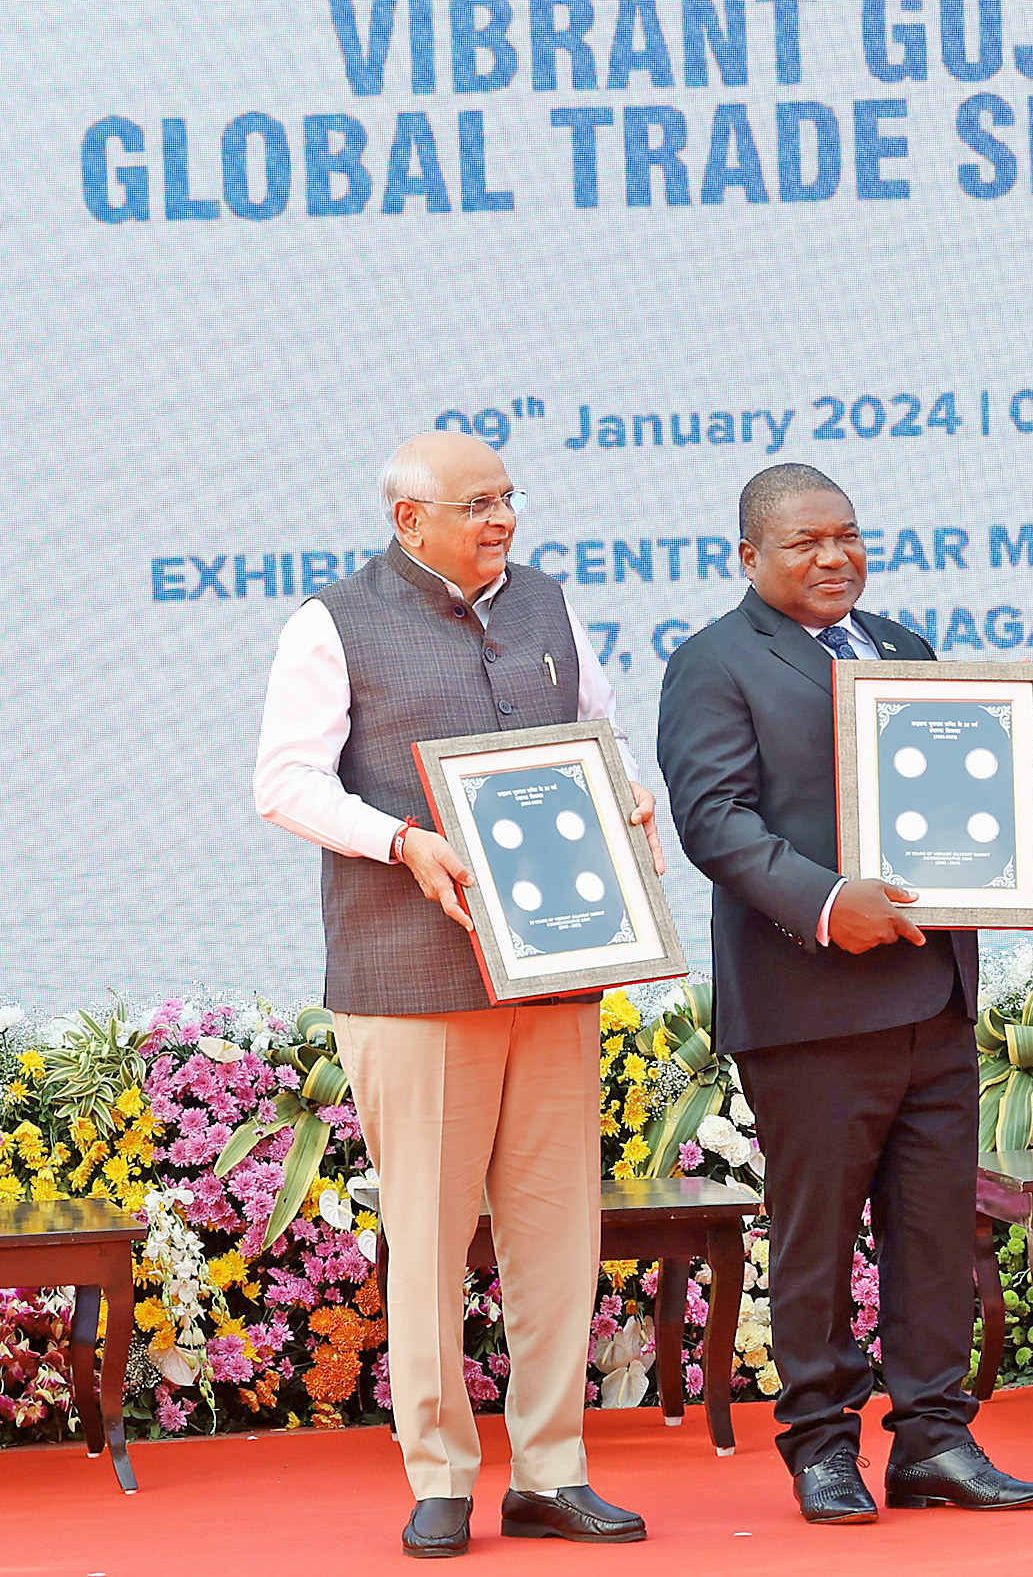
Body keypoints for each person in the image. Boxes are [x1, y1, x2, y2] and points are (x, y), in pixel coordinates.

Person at [254, 431, 656, 1558]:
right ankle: (438, 1473)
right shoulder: (332, 621)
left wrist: (628, 802)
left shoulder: (548, 606)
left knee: (555, 1232)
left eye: (508, 498)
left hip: (553, 964)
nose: (502, 519)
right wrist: (400, 842)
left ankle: (551, 1470)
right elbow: (282, 779)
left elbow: (602, 737)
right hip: (409, 976)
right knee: (428, 1235)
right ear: (407, 519)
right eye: (476, 502)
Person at [656, 463, 1033, 1524]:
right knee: (817, 1239)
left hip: (930, 992)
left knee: (934, 1232)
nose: (835, 557)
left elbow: (948, 785)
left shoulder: (904, 649)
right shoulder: (711, 663)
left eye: (848, 535)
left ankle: (934, 1439)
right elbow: (714, 820)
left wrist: (1019, 729)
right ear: (748, 556)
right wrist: (833, 900)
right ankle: (821, 1446)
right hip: (809, 1006)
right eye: (805, 542)